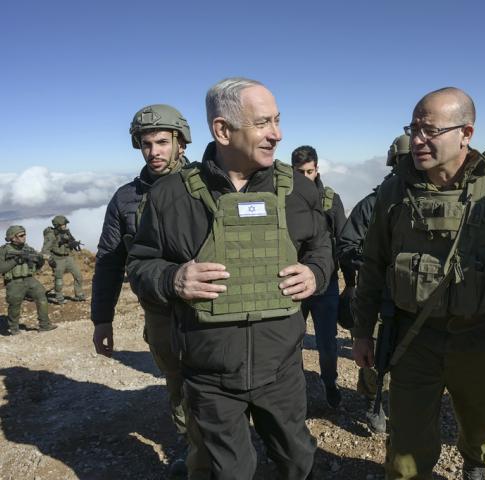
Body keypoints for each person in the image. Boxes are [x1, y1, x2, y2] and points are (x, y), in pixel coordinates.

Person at [351, 87, 485, 480]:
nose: (417, 139)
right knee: (405, 452)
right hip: (413, 340)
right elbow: (372, 265)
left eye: (429, 130)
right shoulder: (394, 192)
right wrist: (363, 332)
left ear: (465, 133)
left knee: (481, 424)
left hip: (482, 338)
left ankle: (476, 465)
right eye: (413, 128)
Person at [127, 77, 333, 480]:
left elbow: (321, 245)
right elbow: (140, 263)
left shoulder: (298, 191)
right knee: (230, 471)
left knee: (298, 462)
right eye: (263, 123)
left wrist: (316, 272)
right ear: (222, 130)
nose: (277, 134)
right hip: (209, 373)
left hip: (282, 368)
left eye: (277, 120)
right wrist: (172, 278)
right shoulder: (171, 196)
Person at [91, 104, 209, 479]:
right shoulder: (126, 199)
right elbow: (109, 262)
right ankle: (196, 457)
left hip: (211, 310)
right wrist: (102, 319)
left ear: (180, 142)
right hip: (160, 314)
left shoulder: (208, 185)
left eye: (162, 141)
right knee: (177, 388)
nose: (154, 151)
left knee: (219, 387)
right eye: (146, 144)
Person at [336, 133, 409, 433]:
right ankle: (372, 401)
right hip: (380, 295)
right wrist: (372, 263)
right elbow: (346, 244)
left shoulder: (431, 200)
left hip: (418, 297)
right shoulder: (373, 203)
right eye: (403, 161)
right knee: (378, 353)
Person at [291, 145, 347, 408]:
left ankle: (329, 382)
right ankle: (296, 389)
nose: (305, 177)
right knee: (292, 342)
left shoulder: (329, 200)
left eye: (309, 172)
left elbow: (344, 242)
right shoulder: (284, 200)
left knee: (327, 343)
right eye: (299, 172)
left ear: (317, 170)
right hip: (292, 283)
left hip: (326, 283)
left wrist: (352, 285)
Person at [0, 225, 57, 334]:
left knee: (41, 295)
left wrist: (41, 260)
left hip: (29, 279)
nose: (24, 237)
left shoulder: (28, 249)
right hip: (14, 282)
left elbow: (37, 267)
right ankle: (14, 328)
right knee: (15, 305)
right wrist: (16, 261)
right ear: (13, 238)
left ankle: (44, 325)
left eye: (24, 234)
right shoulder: (4, 250)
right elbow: (1, 268)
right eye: (21, 235)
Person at [42, 215, 85, 304]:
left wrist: (73, 244)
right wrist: (49, 259)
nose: (65, 226)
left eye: (65, 224)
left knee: (78, 276)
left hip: (68, 257)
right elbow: (44, 251)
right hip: (57, 259)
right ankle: (59, 298)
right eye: (63, 224)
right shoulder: (51, 235)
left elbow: (71, 240)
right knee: (59, 280)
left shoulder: (66, 232)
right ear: (57, 225)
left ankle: (79, 294)